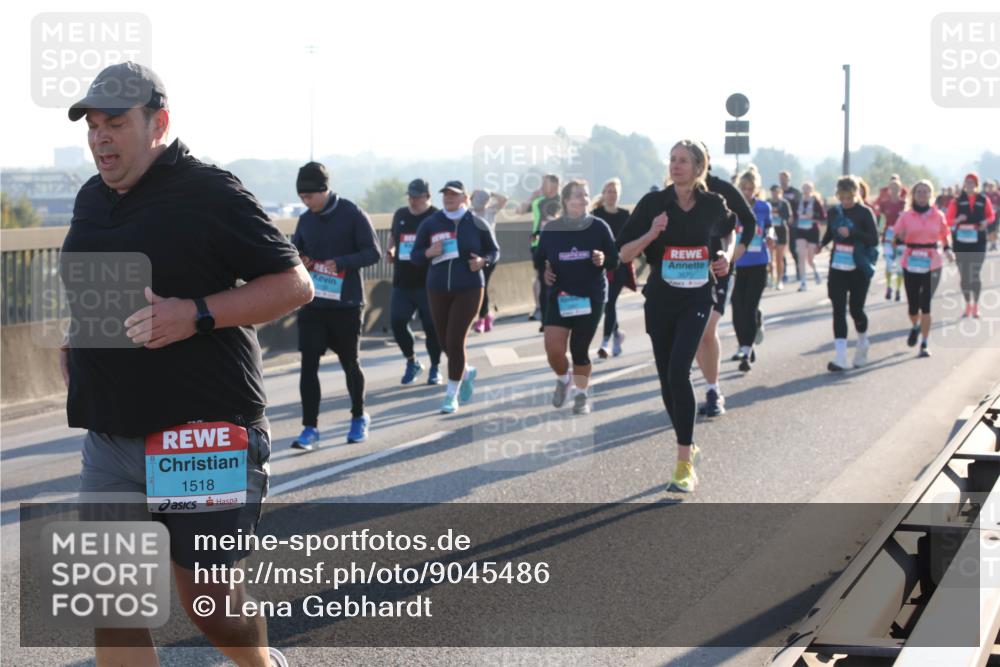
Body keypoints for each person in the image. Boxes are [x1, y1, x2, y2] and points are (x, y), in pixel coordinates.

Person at [63, 62, 306, 667]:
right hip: (110, 432)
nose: (99, 137)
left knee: (208, 602)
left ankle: (261, 664)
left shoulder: (209, 192)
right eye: (92, 125)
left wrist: (193, 313)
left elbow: (294, 284)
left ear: (158, 123)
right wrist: (79, 338)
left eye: (115, 123)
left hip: (198, 433)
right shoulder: (92, 198)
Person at [617, 140, 734, 493]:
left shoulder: (713, 204)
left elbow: (726, 232)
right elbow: (622, 254)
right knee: (668, 379)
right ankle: (690, 446)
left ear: (699, 167)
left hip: (697, 296)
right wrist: (653, 232)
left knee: (680, 369)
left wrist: (725, 256)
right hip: (662, 299)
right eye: (672, 160)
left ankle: (683, 461)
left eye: (683, 160)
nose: (676, 165)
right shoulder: (654, 204)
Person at [291, 162, 380, 449]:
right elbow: (296, 251)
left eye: (310, 197)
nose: (306, 202)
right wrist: (301, 259)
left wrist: (341, 262)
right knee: (308, 366)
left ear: (324, 190)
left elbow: (373, 252)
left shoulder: (352, 214)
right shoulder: (305, 220)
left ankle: (358, 417)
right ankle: (309, 429)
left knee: (350, 363)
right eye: (302, 197)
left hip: (346, 304)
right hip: (314, 303)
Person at [411, 180, 500, 413]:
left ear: (465, 198)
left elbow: (494, 251)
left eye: (454, 195)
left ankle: (451, 395)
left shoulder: (477, 223)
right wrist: (429, 252)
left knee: (455, 339)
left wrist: (483, 261)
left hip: (469, 288)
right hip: (437, 288)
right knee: (443, 341)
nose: (449, 198)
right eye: (446, 194)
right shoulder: (431, 223)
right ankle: (467, 371)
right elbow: (415, 255)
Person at [535, 180, 619, 414]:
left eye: (586, 195)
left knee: (579, 350)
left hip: (591, 296)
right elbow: (539, 259)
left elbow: (615, 260)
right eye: (578, 196)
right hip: (560, 296)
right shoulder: (551, 230)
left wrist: (603, 259)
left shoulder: (599, 227)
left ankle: (582, 396)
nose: (583, 200)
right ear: (565, 201)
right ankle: (563, 379)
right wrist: (546, 270)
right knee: (553, 350)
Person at [693, 151, 756, 418]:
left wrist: (735, 252)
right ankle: (709, 387)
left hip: (719, 269)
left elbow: (747, 221)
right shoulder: (676, 191)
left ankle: (712, 390)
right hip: (689, 271)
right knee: (696, 330)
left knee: (708, 327)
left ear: (705, 161)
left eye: (696, 160)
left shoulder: (721, 190)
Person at [818, 176, 880, 371]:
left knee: (856, 309)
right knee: (838, 309)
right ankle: (841, 357)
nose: (845, 201)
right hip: (838, 266)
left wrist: (852, 233)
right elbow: (830, 232)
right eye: (842, 197)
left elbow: (873, 239)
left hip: (858, 268)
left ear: (857, 194)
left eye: (849, 197)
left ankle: (862, 342)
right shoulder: (834, 212)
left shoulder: (864, 213)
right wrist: (820, 245)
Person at [386, 178, 443, 385]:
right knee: (397, 322)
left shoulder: (437, 216)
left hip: (428, 282)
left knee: (431, 327)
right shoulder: (401, 214)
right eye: (410, 197)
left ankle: (435, 366)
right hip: (402, 280)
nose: (413, 201)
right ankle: (412, 361)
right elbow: (393, 235)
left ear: (427, 197)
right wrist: (390, 250)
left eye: (417, 197)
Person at [893, 180, 952, 357]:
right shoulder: (905, 216)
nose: (922, 195)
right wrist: (900, 238)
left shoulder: (938, 215)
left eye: (925, 192)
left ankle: (924, 343)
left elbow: (945, 235)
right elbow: (895, 240)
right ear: (913, 195)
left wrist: (948, 250)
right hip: (911, 261)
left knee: (925, 304)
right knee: (913, 306)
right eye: (919, 192)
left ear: (930, 195)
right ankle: (915, 325)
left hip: (932, 262)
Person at [731, 169, 773, 372]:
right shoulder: (732, 208)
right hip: (737, 264)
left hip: (758, 263)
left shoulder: (764, 207)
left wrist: (771, 235)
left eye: (750, 189)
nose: (747, 193)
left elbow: (770, 227)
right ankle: (744, 342)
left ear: (756, 189)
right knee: (737, 308)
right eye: (743, 189)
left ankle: (746, 350)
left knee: (748, 306)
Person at [591, 177, 635, 358]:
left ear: (619, 194)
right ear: (603, 194)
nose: (611, 195)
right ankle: (617, 335)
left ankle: (605, 342)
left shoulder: (625, 215)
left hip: (620, 265)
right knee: (607, 304)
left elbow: (632, 237)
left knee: (610, 302)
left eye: (615, 192)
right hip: (601, 265)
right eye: (609, 191)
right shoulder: (596, 214)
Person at [946, 173, 996, 318]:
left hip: (978, 241)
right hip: (961, 243)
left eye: (972, 182)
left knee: (974, 274)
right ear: (964, 184)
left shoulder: (983, 199)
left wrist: (986, 222)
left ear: (976, 184)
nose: (970, 185)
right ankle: (967, 304)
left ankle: (976, 306)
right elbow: (948, 220)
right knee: (964, 276)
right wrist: (957, 220)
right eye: (967, 182)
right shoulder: (956, 201)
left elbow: (991, 215)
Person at [522, 174, 561, 321]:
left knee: (556, 279)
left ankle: (556, 312)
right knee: (542, 280)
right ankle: (545, 318)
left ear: (555, 185)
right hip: (537, 244)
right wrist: (531, 197)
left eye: (545, 184)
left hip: (557, 244)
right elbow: (519, 210)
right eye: (541, 183)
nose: (542, 187)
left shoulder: (562, 200)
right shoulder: (538, 201)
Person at [470, 188, 508, 332]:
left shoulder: (490, 211)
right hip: (474, 254)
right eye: (477, 198)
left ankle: (481, 318)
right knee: (478, 286)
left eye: (483, 199)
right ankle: (486, 316)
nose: (479, 202)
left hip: (489, 254)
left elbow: (504, 199)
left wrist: (491, 192)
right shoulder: (469, 212)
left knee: (482, 285)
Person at [874, 176, 908, 301]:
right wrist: (880, 231)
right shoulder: (884, 204)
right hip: (888, 238)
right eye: (891, 188)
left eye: (896, 188)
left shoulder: (904, 204)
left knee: (899, 266)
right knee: (888, 264)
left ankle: (898, 289)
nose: (894, 190)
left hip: (901, 239)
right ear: (888, 190)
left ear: (900, 189)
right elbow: (880, 220)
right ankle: (889, 287)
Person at [793, 181, 826, 291]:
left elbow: (822, 218)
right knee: (801, 255)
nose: (806, 191)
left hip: (812, 231)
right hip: (801, 231)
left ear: (812, 190)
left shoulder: (815, 202)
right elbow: (793, 215)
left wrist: (812, 217)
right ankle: (803, 282)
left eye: (808, 188)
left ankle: (816, 271)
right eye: (804, 188)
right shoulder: (799, 201)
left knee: (810, 259)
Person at [767, 184, 792, 290]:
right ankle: (771, 278)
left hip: (781, 231)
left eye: (777, 192)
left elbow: (789, 217)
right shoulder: (767, 202)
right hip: (771, 232)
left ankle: (779, 280)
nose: (775, 194)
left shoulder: (784, 203)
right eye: (773, 192)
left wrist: (779, 216)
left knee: (779, 257)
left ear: (780, 192)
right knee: (770, 258)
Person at [780, 170, 803, 281]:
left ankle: (799, 271)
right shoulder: (778, 192)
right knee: (781, 249)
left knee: (793, 249)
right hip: (780, 225)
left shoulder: (795, 192)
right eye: (781, 179)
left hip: (793, 224)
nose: (783, 181)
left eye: (785, 178)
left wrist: (793, 217)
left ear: (788, 179)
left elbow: (800, 207)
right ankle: (783, 272)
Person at [984, 179, 1000, 251]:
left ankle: (994, 244)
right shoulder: (985, 195)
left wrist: (997, 207)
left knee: (995, 230)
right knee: (990, 230)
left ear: (995, 186)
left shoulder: (998, 194)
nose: (990, 187)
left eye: (992, 186)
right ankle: (991, 243)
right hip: (988, 216)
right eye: (989, 186)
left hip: (996, 216)